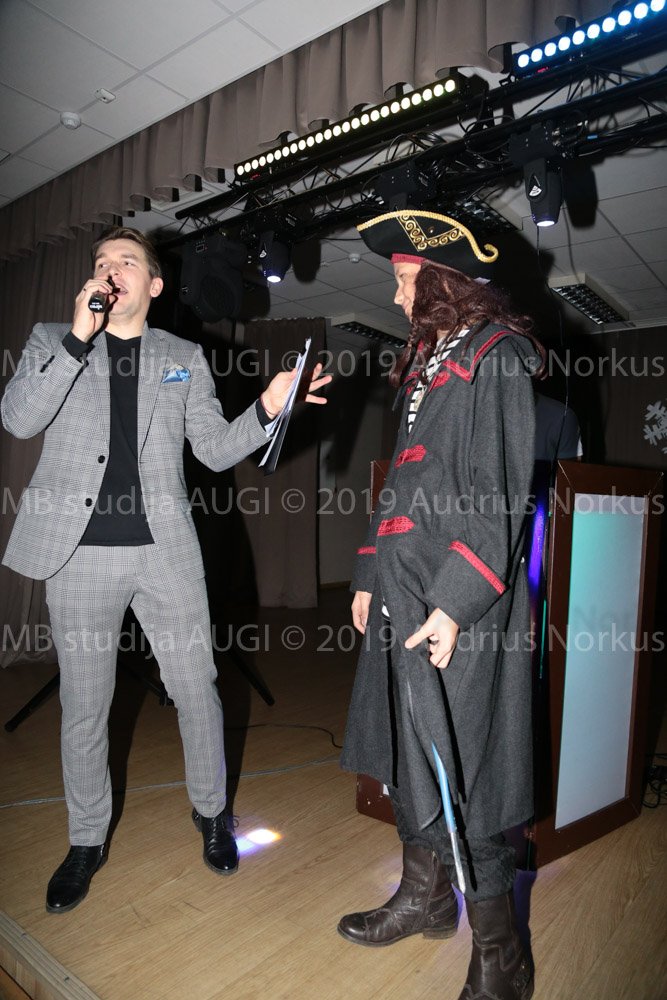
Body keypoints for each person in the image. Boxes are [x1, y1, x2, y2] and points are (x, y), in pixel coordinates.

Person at [1, 226, 330, 914]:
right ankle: (86, 839)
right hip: (78, 555)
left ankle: (212, 815)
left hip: (164, 554)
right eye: (100, 261)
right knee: (85, 706)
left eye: (125, 261)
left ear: (153, 284)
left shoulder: (183, 358)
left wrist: (267, 409)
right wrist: (78, 338)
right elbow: (20, 419)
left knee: (197, 688)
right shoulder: (50, 339)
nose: (109, 269)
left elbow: (212, 449)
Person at [338, 210, 544, 1000]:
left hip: (461, 607)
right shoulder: (430, 362)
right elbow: (400, 479)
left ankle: (501, 957)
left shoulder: (495, 355)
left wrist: (455, 603)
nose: (396, 299)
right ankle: (423, 898)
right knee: (410, 751)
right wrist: (367, 572)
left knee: (468, 768)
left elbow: (497, 497)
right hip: (401, 589)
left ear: (440, 278)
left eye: (403, 282)